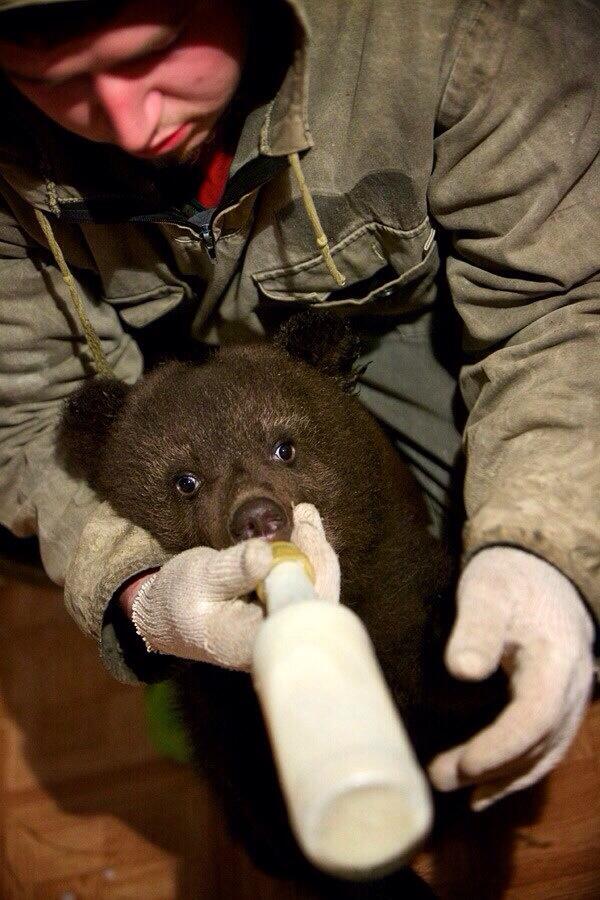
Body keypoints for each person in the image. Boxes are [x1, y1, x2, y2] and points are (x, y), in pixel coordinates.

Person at [0, 0, 597, 814]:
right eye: (53, 82)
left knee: (518, 580)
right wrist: (136, 591)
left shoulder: (466, 30)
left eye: (156, 50)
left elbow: (563, 306)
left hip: (384, 321)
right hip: (146, 395)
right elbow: (27, 415)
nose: (130, 123)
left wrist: (543, 545)